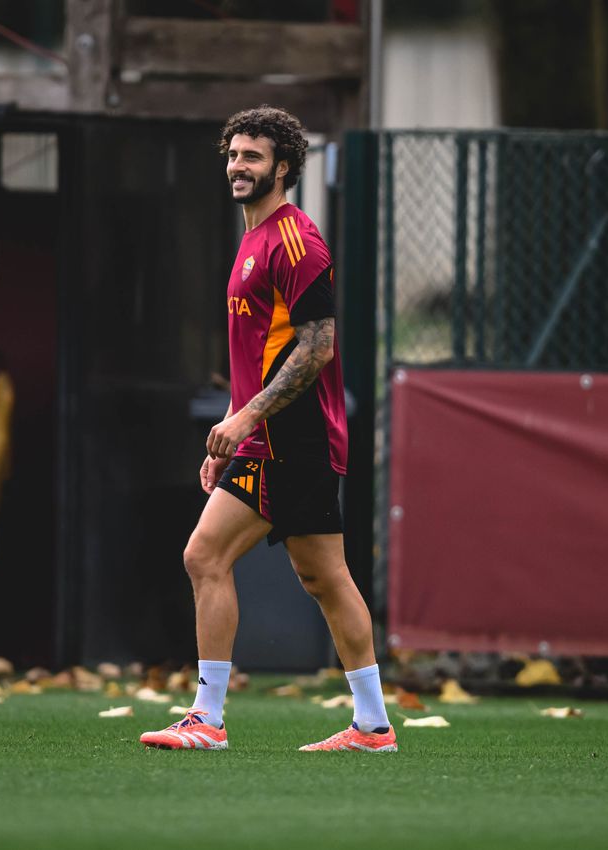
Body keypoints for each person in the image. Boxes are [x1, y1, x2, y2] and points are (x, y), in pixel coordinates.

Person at [140, 106, 396, 753]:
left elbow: (317, 346)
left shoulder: (295, 240)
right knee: (324, 577)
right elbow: (260, 354)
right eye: (232, 155)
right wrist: (234, 431)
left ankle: (208, 718)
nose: (237, 166)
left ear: (283, 167)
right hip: (271, 435)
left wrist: (249, 418)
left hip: (293, 435)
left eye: (251, 156)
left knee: (205, 556)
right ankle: (373, 727)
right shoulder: (252, 239)